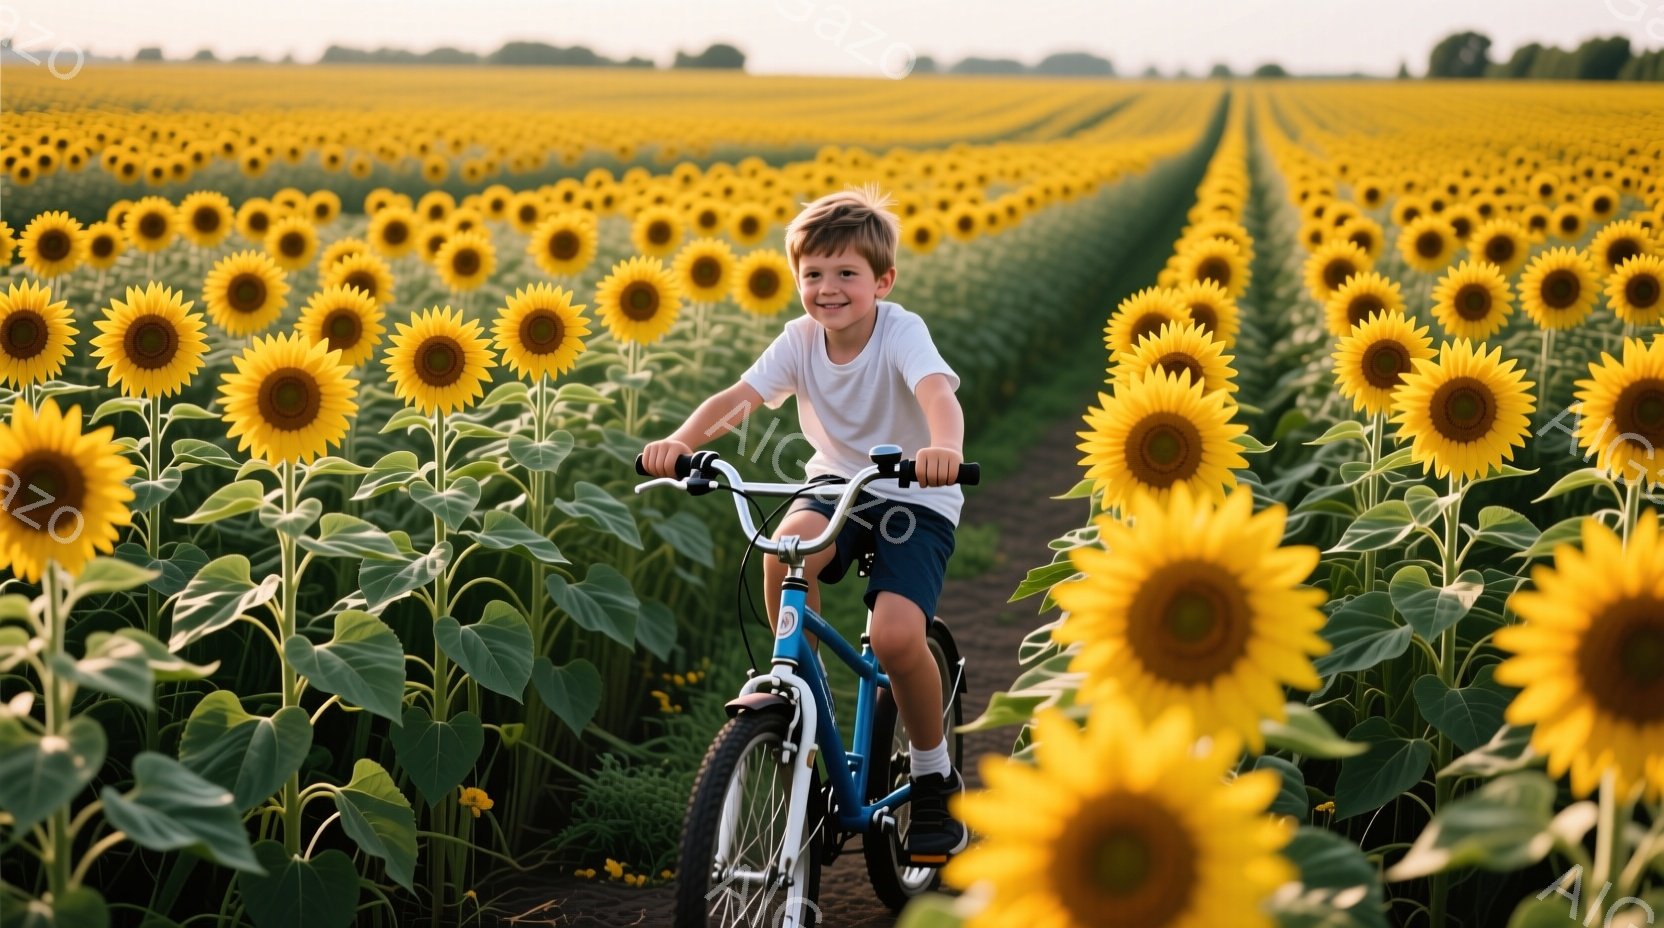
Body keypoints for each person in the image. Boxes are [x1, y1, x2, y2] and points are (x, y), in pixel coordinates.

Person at [640, 184, 968, 860]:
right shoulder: (800, 340)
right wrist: (682, 441)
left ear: (882, 280)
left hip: (913, 495)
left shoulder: (900, 331)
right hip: (835, 481)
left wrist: (945, 452)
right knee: (782, 547)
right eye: (812, 274)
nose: (828, 288)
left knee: (897, 637)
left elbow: (936, 393)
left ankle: (934, 777)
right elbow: (741, 397)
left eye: (846, 273)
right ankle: (802, 699)